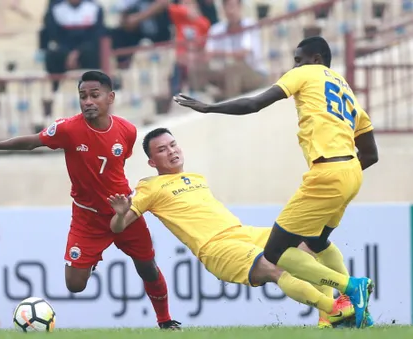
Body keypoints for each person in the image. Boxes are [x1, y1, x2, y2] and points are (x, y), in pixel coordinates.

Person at [173, 36, 379, 328]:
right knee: (317, 242)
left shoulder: (304, 74)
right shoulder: (347, 92)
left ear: (317, 59)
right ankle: (357, 312)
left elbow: (255, 104)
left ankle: (350, 286)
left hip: (327, 172)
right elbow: (371, 154)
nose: (294, 65)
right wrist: (345, 172)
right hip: (351, 171)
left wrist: (209, 108)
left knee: (275, 253)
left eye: (299, 59)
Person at [0, 70, 180, 330]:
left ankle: (165, 322)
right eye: (82, 96)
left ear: (110, 98)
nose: (87, 101)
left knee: (147, 267)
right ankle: (91, 259)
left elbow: (117, 163)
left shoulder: (127, 131)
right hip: (87, 217)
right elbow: (33, 142)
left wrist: (122, 206)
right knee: (74, 285)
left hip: (124, 211)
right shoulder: (68, 129)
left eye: (95, 95)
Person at [107, 127, 357, 327]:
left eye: (173, 145)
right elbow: (118, 227)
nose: (171, 151)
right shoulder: (149, 186)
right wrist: (120, 215)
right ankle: (336, 308)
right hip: (216, 247)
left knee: (310, 241)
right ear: (152, 162)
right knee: (273, 270)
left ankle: (333, 313)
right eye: (162, 150)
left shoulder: (196, 178)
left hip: (242, 233)